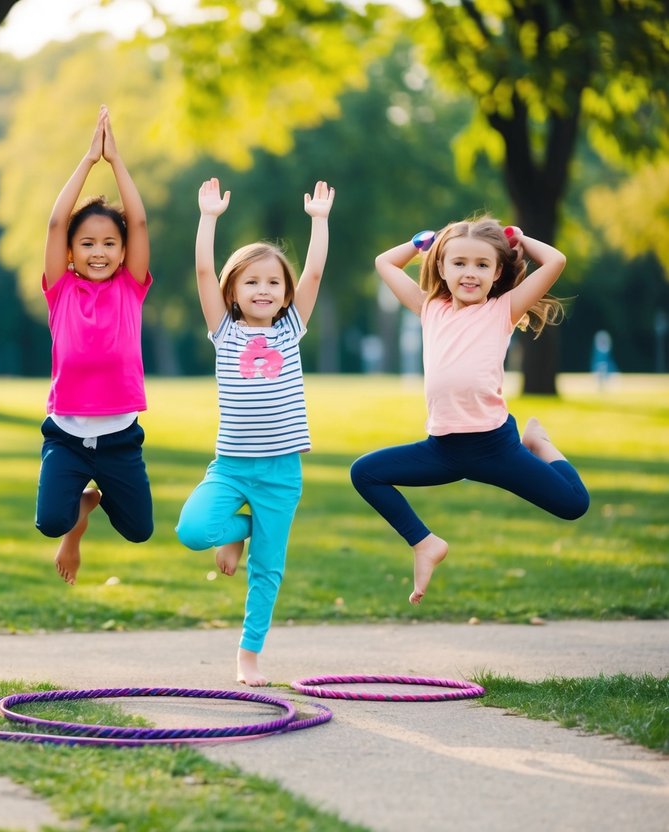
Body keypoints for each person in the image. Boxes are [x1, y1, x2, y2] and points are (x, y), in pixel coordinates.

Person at [351, 218, 589, 605]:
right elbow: (384, 263)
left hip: (496, 449)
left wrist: (521, 240)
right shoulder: (430, 308)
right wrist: (419, 243)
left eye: (482, 265)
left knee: (574, 504)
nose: (469, 273)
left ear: (498, 273)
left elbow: (556, 261)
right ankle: (425, 544)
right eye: (458, 263)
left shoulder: (503, 310)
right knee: (365, 473)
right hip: (441, 451)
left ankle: (539, 443)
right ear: (441, 268)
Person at [175, 177, 335, 686]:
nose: (263, 290)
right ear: (233, 293)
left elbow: (313, 272)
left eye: (272, 283)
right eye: (251, 282)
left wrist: (319, 221)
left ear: (284, 293)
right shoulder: (224, 331)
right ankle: (238, 534)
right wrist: (208, 219)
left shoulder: (291, 330)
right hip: (230, 468)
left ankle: (249, 653)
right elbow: (202, 268)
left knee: (268, 569)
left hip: (281, 474)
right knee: (193, 531)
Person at [37, 105, 153, 585]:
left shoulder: (132, 287)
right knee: (50, 522)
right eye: (87, 243)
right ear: (70, 252)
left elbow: (140, 223)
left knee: (139, 530)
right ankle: (76, 520)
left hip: (120, 437)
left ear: (123, 251)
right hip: (66, 434)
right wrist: (88, 161)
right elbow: (54, 223)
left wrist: (116, 161)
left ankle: (93, 498)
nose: (99, 252)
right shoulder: (60, 288)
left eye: (109, 243)